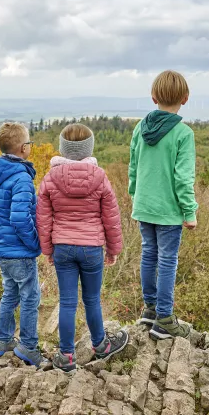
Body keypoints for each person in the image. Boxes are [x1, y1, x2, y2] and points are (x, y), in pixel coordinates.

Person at [37, 123, 128, 372]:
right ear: (90, 147)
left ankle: (66, 356)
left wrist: (47, 250)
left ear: (62, 149)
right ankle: (101, 345)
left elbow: (43, 219)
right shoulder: (99, 177)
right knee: (91, 300)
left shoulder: (50, 178)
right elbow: (111, 216)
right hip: (91, 249)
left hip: (63, 247)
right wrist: (113, 248)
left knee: (67, 302)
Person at [129, 70, 199, 340]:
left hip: (144, 205)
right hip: (169, 210)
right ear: (185, 98)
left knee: (148, 254)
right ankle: (165, 318)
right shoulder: (183, 133)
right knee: (167, 260)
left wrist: (135, 194)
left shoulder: (140, 127)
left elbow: (133, 166)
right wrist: (189, 211)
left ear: (153, 97)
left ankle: (149, 309)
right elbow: (183, 178)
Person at [0, 122, 48, 368]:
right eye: (29, 144)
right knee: (31, 297)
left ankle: (3, 341)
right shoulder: (20, 178)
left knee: (10, 293)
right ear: (23, 148)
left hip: (1, 248)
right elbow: (20, 218)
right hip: (19, 251)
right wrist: (34, 243)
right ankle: (28, 347)